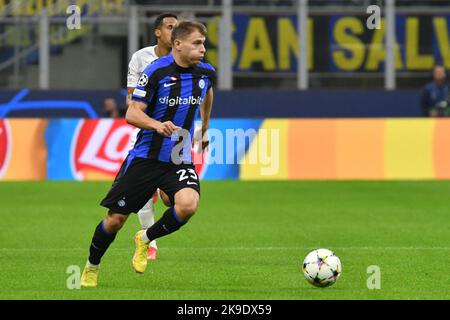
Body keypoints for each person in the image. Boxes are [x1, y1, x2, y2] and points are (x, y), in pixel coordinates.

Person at [80, 20, 215, 287]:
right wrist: (156, 124)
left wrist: (205, 127)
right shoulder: (156, 72)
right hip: (145, 157)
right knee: (115, 220)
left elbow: (207, 93)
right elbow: (132, 112)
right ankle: (91, 266)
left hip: (177, 156)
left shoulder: (206, 72)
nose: (203, 49)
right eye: (197, 43)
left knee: (187, 205)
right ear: (178, 44)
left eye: (204, 43)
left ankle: (145, 237)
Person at [126, 12, 178, 260]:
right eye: (170, 27)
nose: (174, 31)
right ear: (158, 32)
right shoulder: (141, 58)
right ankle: (150, 240)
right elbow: (130, 98)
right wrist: (148, 118)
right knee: (143, 190)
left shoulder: (184, 58)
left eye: (178, 28)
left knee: (172, 200)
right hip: (147, 129)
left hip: (175, 134)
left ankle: (162, 190)